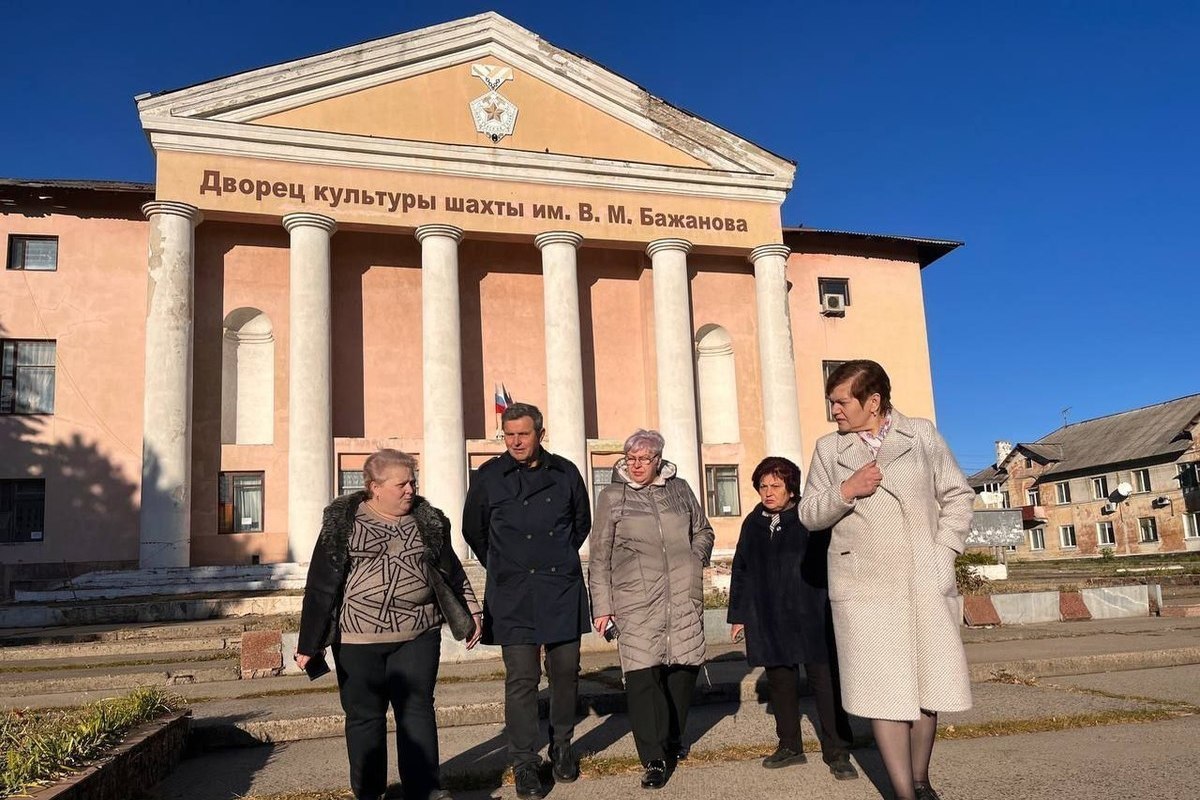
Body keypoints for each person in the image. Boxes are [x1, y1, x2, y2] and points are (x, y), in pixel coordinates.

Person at [799, 360, 975, 800]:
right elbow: (808, 514)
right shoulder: (828, 450)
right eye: (831, 402)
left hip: (923, 580)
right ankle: (904, 793)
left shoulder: (922, 435)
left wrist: (944, 551)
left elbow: (957, 494)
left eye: (841, 401)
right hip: (865, 589)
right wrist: (847, 489)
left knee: (926, 686)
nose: (833, 410)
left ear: (872, 401)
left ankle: (921, 779)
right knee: (883, 692)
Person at [295, 448, 483, 800]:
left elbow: (452, 571)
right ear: (374, 487)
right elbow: (321, 585)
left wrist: (472, 611)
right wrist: (310, 642)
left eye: (413, 481)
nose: (411, 489)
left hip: (418, 634)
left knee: (417, 711)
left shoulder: (430, 522)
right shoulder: (343, 525)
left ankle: (424, 789)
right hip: (357, 639)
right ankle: (369, 792)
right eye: (402, 484)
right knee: (365, 718)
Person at [461, 402, 592, 799]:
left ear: (540, 433)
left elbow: (581, 522)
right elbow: (474, 530)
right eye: (509, 434)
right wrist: (505, 565)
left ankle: (562, 747)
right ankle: (524, 763)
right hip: (512, 594)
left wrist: (554, 559)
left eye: (524, 434)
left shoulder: (566, 472)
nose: (516, 441)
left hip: (560, 589)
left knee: (566, 673)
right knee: (522, 680)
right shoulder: (488, 476)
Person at [588, 429, 715, 791]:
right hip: (634, 600)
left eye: (644, 459)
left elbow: (703, 530)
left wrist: (695, 558)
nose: (637, 465)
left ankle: (673, 740)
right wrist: (602, 605)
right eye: (631, 459)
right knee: (643, 678)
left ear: (659, 459)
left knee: (682, 671)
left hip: (681, 595)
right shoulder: (613, 496)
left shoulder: (680, 489)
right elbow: (599, 556)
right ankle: (654, 758)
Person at [728, 456, 859, 780]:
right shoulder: (753, 523)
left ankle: (838, 752)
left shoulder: (809, 517)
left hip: (811, 614)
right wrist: (739, 615)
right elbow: (741, 569)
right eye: (762, 486)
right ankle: (789, 746)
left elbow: (835, 561)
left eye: (775, 485)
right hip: (769, 617)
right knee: (781, 684)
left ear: (791, 487)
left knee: (825, 685)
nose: (768, 492)